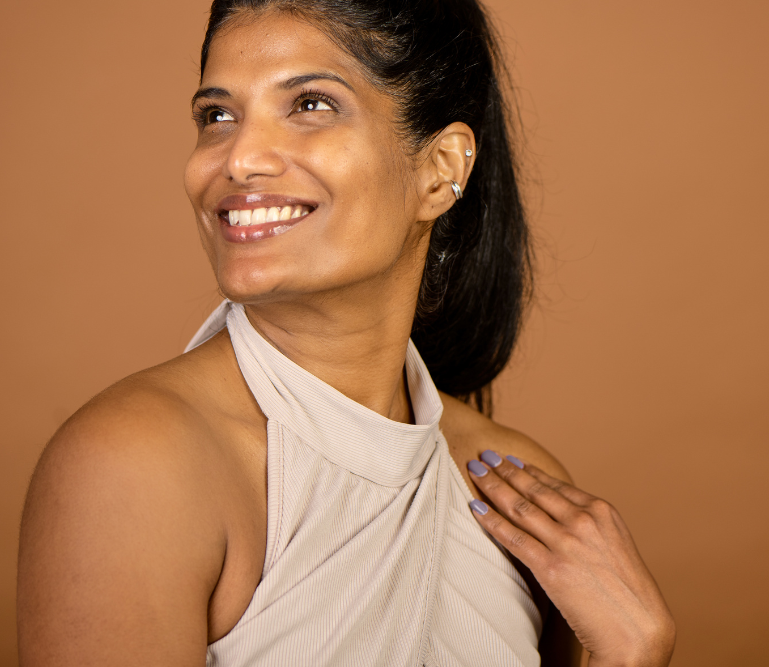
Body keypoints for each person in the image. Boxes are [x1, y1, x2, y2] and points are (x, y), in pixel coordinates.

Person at [17, 0, 675, 664]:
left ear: (441, 169)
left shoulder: (515, 489)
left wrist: (630, 653)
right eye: (217, 116)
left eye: (310, 105)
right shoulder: (133, 469)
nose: (239, 159)